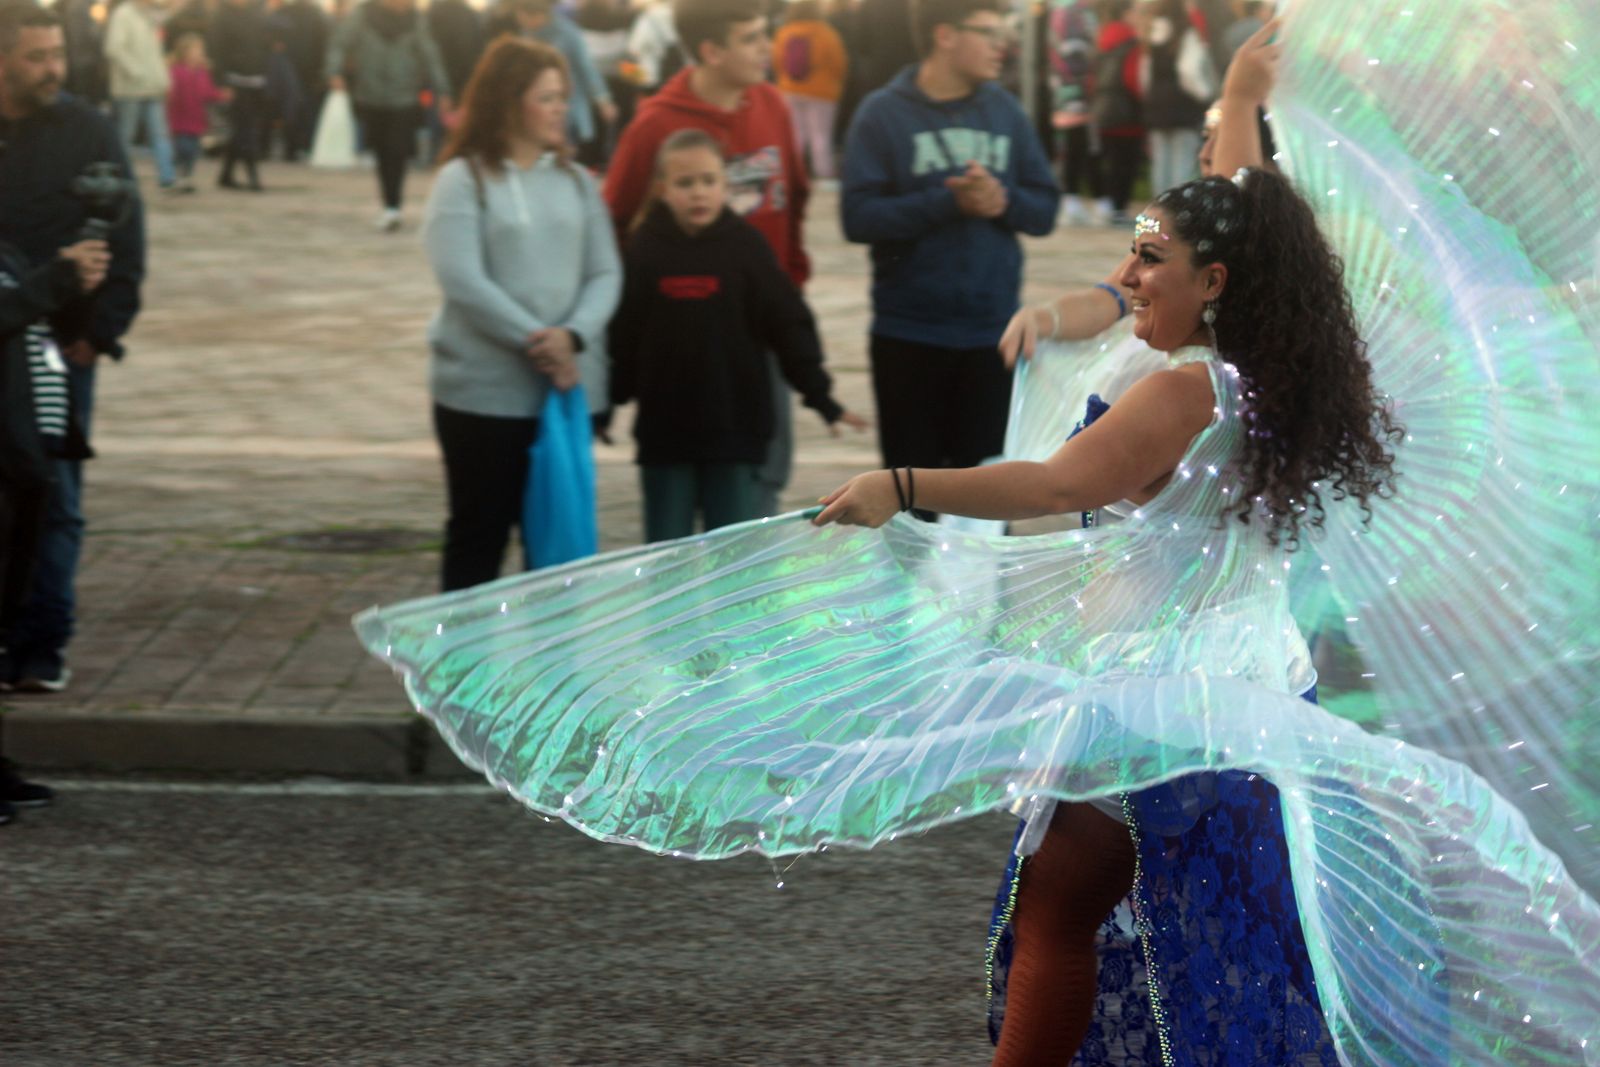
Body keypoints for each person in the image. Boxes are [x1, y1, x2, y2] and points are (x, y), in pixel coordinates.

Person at [817, 162, 1402, 1064]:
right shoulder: (1278, 384)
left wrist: (899, 486)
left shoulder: (1183, 393)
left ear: (1215, 282)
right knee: (1225, 934)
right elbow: (1245, 216)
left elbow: (1059, 484)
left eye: (1150, 258)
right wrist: (1240, 106)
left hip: (1159, 697)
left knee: (1057, 912)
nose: (1127, 274)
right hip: (1258, 687)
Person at [839, 0, 1057, 507]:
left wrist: (1002, 201)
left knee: (988, 506)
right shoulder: (882, 113)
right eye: (988, 31)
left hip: (992, 337)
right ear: (945, 35)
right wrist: (947, 202)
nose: (1002, 44)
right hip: (908, 335)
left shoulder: (1006, 112)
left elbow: (1044, 209)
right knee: (908, 505)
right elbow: (858, 217)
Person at [422, 37, 619, 591]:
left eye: (563, 97)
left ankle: (546, 647)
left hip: (564, 393)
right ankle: (464, 648)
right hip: (482, 396)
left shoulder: (577, 183)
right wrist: (540, 341)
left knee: (555, 551)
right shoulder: (463, 180)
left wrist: (572, 337)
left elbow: (606, 272)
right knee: (478, 536)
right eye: (546, 98)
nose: (560, 109)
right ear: (508, 102)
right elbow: (462, 278)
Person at [604, 0, 812, 519]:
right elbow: (615, 219)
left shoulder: (773, 105)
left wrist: (787, 285)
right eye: (751, 38)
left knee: (763, 475)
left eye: (765, 34)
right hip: (685, 345)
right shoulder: (655, 125)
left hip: (759, 330)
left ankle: (750, 570)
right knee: (678, 491)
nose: (767, 48)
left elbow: (796, 196)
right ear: (711, 51)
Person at [611, 130, 866, 542]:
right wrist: (607, 403)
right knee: (666, 553)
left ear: (726, 186)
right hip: (664, 435)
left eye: (708, 181)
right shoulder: (645, 249)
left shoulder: (746, 246)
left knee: (732, 552)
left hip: (735, 430)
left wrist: (820, 396)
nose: (698, 192)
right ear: (662, 189)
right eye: (685, 182)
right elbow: (624, 334)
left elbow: (788, 324)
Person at [0, 0, 146, 694]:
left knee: (54, 494)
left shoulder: (89, 130)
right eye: (36, 56)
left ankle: (42, 643)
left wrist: (100, 331)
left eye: (57, 53)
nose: (52, 68)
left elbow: (127, 237)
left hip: (60, 348)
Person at [0, 233, 105, 820]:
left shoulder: (7, 252)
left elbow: (44, 331)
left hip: (24, 456)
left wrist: (78, 291)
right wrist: (55, 278)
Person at [326, 0, 452, 231]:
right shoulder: (363, 15)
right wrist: (334, 71)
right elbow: (340, 43)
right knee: (382, 151)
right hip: (371, 95)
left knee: (397, 150)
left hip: (404, 96)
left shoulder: (415, 20)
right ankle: (389, 203)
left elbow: (430, 55)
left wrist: (443, 90)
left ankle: (394, 206)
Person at [498, 0, 617, 167]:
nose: (521, 20)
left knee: (566, 154)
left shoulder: (567, 33)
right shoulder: (528, 33)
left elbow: (586, 67)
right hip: (537, 110)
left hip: (569, 108)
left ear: (539, 14)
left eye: (524, 15)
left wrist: (603, 99)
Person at [104, 0, 180, 192]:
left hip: (152, 86)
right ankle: (120, 176)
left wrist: (163, 80)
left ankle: (168, 177)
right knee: (126, 135)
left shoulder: (149, 17)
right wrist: (136, 72)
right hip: (130, 88)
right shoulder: (123, 15)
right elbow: (114, 48)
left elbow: (155, 53)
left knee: (159, 134)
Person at [1137, 0, 1211, 194]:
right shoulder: (1186, 33)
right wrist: (1204, 95)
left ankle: (1159, 207)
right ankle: (1177, 208)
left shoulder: (1151, 34)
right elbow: (1189, 71)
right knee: (1183, 161)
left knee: (1160, 162)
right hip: (1182, 105)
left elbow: (1144, 74)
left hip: (1156, 105)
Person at [771, 0, 847, 180]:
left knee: (796, 135)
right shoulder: (826, 33)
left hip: (790, 90)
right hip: (821, 92)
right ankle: (823, 174)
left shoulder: (784, 32)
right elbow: (839, 63)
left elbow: (776, 61)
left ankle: (792, 173)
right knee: (821, 136)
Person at [1047, 0, 1106, 226]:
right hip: (1079, 95)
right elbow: (1076, 54)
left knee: (1072, 149)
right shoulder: (1078, 14)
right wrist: (1088, 90)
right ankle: (1097, 203)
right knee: (1086, 148)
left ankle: (1072, 202)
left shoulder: (1063, 12)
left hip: (1064, 93)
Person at [209, 0, 271, 191]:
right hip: (235, 80)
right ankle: (253, 175)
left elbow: (263, 45)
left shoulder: (256, 13)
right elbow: (217, 52)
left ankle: (226, 175)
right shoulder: (221, 17)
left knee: (242, 129)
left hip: (256, 79)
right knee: (246, 129)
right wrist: (222, 83)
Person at [166, 31, 228, 188]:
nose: (199, 53)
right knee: (183, 148)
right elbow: (170, 93)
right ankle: (178, 173)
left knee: (193, 151)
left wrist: (221, 95)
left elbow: (207, 91)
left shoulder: (202, 72)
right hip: (179, 119)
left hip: (196, 119)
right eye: (196, 50)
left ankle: (186, 176)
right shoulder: (176, 71)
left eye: (200, 50)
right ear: (184, 52)